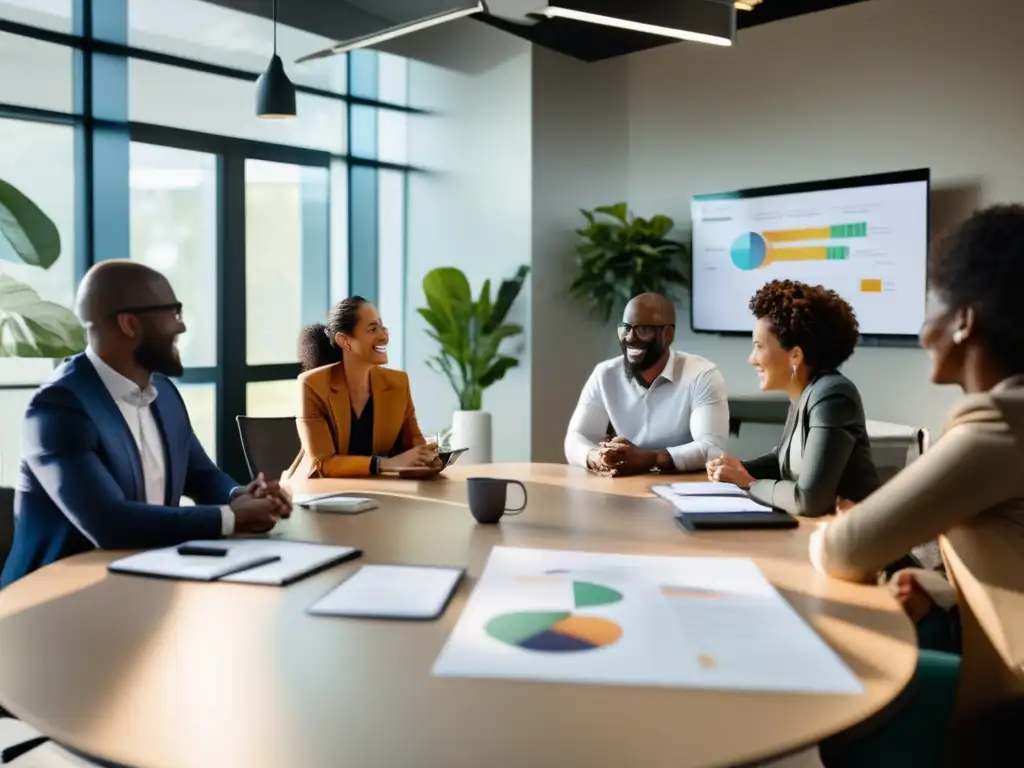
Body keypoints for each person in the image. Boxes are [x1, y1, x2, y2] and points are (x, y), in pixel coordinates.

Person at [810, 205, 1024, 765]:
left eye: (932, 304)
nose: (922, 328)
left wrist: (833, 528)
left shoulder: (1002, 422)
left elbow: (844, 548)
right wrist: (945, 590)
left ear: (963, 321)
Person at [1, 261, 291, 587]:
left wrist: (241, 495)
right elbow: (109, 522)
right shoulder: (57, 409)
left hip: (144, 579)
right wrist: (232, 518)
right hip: (53, 601)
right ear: (129, 324)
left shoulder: (163, 393)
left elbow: (202, 476)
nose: (180, 327)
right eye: (173, 312)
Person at [706, 280, 879, 517]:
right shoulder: (804, 394)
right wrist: (737, 468)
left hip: (858, 546)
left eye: (759, 346)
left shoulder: (833, 395)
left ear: (795, 355)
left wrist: (749, 483)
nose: (752, 359)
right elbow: (783, 460)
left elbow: (808, 500)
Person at [564, 293, 729, 476]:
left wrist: (651, 459)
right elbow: (576, 438)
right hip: (626, 489)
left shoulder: (701, 375)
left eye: (643, 329)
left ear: (668, 334)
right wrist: (598, 457)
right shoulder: (605, 374)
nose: (630, 338)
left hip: (685, 490)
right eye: (625, 328)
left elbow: (712, 448)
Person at [285, 297, 439, 479]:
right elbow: (323, 463)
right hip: (319, 493)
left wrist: (428, 459)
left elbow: (414, 447)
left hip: (377, 492)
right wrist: (386, 464)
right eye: (373, 329)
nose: (384, 337)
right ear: (344, 341)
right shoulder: (312, 385)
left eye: (383, 328)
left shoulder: (398, 383)